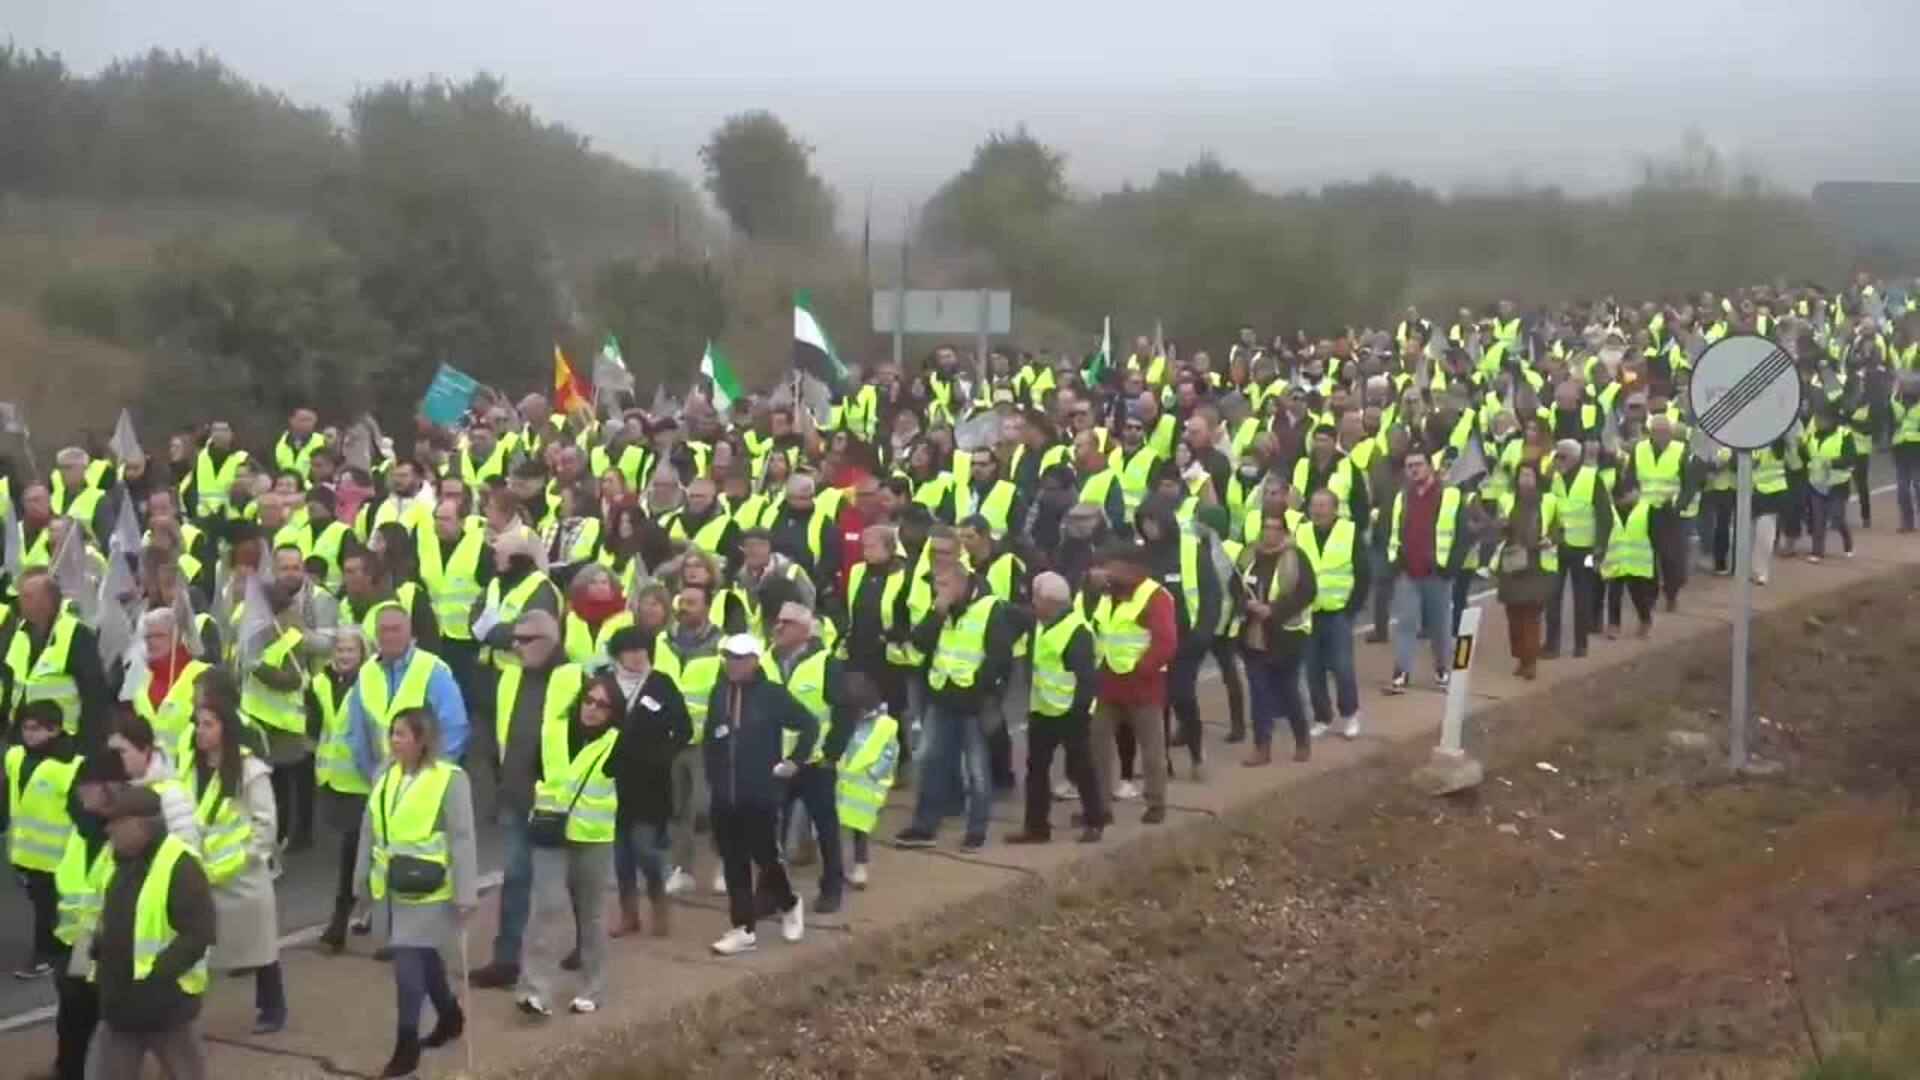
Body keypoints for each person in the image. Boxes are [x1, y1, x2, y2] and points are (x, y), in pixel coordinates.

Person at [356, 707, 479, 1079]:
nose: (393, 741)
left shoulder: (450, 779)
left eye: (401, 734)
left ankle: (406, 1044)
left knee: (408, 968)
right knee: (424, 958)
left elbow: (462, 837)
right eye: (392, 733)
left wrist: (465, 892)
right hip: (391, 885)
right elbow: (369, 828)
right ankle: (449, 1013)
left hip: (429, 890)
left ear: (422, 739)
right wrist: (361, 877)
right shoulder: (383, 774)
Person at [471, 610, 581, 989]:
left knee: (565, 885)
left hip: (559, 802)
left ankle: (581, 950)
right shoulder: (511, 677)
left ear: (549, 641)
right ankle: (506, 960)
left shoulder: (574, 679)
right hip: (517, 797)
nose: (514, 645)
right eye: (513, 638)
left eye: (524, 639)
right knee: (516, 877)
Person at [88, 784, 216, 1080]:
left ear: (139, 825)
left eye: (116, 823)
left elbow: (198, 933)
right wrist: (98, 949)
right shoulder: (116, 861)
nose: (109, 831)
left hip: (165, 1006)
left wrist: (157, 977)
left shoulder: (180, 865)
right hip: (119, 1004)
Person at [516, 669, 623, 1018]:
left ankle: (594, 987)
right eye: (589, 700)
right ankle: (535, 991)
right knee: (546, 906)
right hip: (550, 833)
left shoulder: (617, 742)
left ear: (612, 712)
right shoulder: (553, 731)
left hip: (592, 838)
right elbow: (534, 770)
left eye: (602, 706)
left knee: (590, 915)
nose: (592, 709)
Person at [703, 631, 816, 956]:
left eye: (738, 658)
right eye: (728, 658)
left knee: (766, 858)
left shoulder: (772, 695)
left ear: (753, 661)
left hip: (760, 793)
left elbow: (808, 725)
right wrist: (714, 778)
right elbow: (712, 737)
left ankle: (790, 902)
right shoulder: (718, 691)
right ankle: (743, 927)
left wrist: (794, 761)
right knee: (733, 861)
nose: (732, 664)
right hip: (725, 795)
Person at [894, 562, 1016, 852]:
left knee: (976, 770)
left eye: (945, 585)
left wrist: (980, 689)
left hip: (973, 702)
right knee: (931, 762)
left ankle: (976, 830)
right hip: (942, 696)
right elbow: (921, 642)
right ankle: (925, 826)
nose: (939, 591)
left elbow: (1000, 656)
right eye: (937, 586)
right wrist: (937, 611)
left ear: (963, 583)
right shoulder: (941, 610)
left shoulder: (989, 608)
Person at [186, 697, 286, 1034]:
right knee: (196, 946)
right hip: (202, 872)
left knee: (260, 946)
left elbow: (265, 824)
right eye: (197, 724)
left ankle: (272, 1008)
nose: (200, 731)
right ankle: (187, 1012)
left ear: (226, 728)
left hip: (243, 875)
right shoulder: (190, 767)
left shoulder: (249, 770)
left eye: (208, 724)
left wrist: (245, 858)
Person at [48, 750, 128, 1080]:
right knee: (73, 1019)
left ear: (108, 787)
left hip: (112, 945)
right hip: (79, 942)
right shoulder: (81, 830)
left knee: (112, 1028)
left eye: (87, 786)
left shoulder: (125, 832)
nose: (79, 793)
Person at [604, 627, 689, 939]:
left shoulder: (661, 684)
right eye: (630, 651)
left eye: (642, 650)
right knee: (620, 852)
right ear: (617, 655)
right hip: (613, 781)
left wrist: (663, 755)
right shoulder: (604, 684)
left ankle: (659, 903)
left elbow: (684, 728)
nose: (638, 656)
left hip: (651, 783)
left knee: (645, 848)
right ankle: (629, 914)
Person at [1005, 572, 1102, 844]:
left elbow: (1086, 679)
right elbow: (1015, 614)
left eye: (1037, 598)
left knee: (1082, 767)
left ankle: (1095, 820)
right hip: (1042, 708)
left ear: (1051, 602)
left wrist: (1080, 710)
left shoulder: (1076, 631)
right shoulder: (1040, 622)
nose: (1032, 603)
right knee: (1035, 770)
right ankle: (1036, 827)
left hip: (1070, 712)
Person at [1088, 542, 1178, 824]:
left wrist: (1143, 668)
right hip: (1108, 681)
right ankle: (1100, 806)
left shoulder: (1154, 597)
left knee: (1151, 749)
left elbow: (1166, 641)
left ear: (1130, 567)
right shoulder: (1106, 593)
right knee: (1097, 744)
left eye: (1110, 566)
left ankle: (1156, 803)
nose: (1105, 571)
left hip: (1143, 684)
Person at [652, 583, 723, 897]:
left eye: (692, 602)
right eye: (682, 601)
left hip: (708, 743)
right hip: (670, 740)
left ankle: (723, 866)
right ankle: (684, 869)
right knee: (678, 808)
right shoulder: (662, 642)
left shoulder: (723, 647)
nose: (684, 607)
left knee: (709, 807)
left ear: (707, 607)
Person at [5, 701, 80, 979]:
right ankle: (61, 950)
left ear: (56, 730)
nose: (29, 735)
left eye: (36, 729)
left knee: (50, 909)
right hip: (25, 853)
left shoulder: (69, 767)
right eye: (25, 728)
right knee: (43, 906)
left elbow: (80, 812)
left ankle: (45, 956)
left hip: (58, 856)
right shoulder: (15, 758)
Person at [1238, 513, 1317, 764]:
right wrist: (1246, 604)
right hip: (1253, 637)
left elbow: (1306, 592)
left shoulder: (1296, 557)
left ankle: (1302, 739)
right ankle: (1262, 746)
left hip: (1287, 637)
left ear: (1284, 532)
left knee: (1288, 691)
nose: (1268, 532)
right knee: (1259, 692)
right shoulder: (1249, 556)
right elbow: (1234, 585)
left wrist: (1273, 610)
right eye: (1265, 527)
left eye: (1274, 528)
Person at [313, 629, 373, 953]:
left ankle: (341, 920)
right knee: (356, 852)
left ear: (362, 653)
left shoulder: (371, 683)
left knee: (353, 852)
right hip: (333, 778)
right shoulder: (321, 682)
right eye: (339, 648)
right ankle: (364, 910)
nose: (344, 654)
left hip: (364, 780)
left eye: (350, 649)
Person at [4, 569, 113, 745]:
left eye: (28, 597)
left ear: (47, 602)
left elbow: (94, 695)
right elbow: (11, 687)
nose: (20, 602)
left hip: (64, 742)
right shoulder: (19, 633)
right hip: (21, 740)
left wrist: (87, 746)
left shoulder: (77, 635)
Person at [1384, 453, 1463, 694]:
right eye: (1409, 466)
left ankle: (1442, 668)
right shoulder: (1402, 497)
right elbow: (1394, 529)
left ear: (1430, 466)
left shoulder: (1450, 495)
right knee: (1406, 623)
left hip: (1437, 571)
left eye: (1419, 465)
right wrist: (1394, 560)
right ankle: (1401, 672)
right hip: (1408, 570)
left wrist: (1451, 565)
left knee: (1440, 626)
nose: (1414, 470)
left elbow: (1462, 534)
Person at [1294, 488, 1366, 740]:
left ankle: (1351, 714)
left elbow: (1362, 572)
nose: (1317, 510)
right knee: (1312, 669)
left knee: (1342, 667)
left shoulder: (1349, 531)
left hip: (1338, 613)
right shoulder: (1301, 532)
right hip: (1310, 613)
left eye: (1323, 505)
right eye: (1314, 505)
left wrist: (1351, 608)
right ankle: (1321, 717)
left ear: (1334, 509)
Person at [1543, 439, 1610, 659]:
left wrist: (1600, 546)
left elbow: (1604, 515)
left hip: (1585, 549)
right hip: (1558, 547)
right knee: (1552, 596)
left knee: (1583, 596)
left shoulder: (1592, 479)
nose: (1558, 461)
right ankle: (1552, 645)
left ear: (1574, 458)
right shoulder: (1554, 479)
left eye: (1562, 457)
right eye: (1556, 456)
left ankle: (1581, 644)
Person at [832, 672, 899, 887]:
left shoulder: (884, 725)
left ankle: (858, 867)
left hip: (864, 789)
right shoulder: (851, 721)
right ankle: (845, 866)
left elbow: (890, 754)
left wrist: (873, 775)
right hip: (845, 784)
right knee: (843, 831)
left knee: (858, 830)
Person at [1494, 461, 1559, 680]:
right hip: (1512, 563)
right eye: (1522, 476)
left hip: (1536, 564)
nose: (1525, 480)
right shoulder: (1506, 499)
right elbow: (1499, 531)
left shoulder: (1548, 501)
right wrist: (1501, 526)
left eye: (1529, 475)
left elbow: (1558, 527)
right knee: (1514, 616)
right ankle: (1521, 657)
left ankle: (1530, 661)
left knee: (1531, 615)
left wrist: (1549, 538)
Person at [105, 715, 201, 849]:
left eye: (121, 751)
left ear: (145, 750)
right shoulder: (115, 793)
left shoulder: (172, 796)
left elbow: (188, 850)